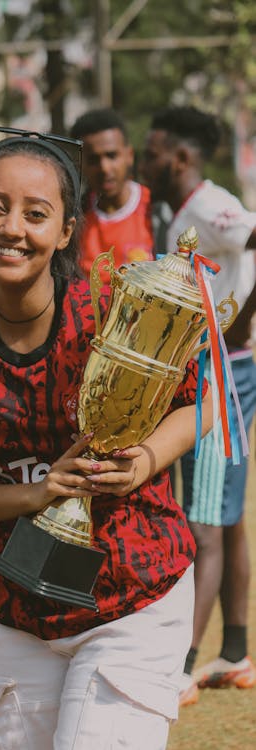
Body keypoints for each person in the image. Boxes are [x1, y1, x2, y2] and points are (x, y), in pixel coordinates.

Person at [0, 126, 212, 749]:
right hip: (15, 607)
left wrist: (147, 458)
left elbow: (198, 403)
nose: (12, 228)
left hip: (135, 592)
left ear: (67, 231)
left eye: (35, 213)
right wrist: (36, 494)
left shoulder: (114, 309)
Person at [140, 105, 256, 708]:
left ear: (179, 159)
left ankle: (177, 667)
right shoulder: (184, 213)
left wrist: (241, 323)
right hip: (218, 365)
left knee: (202, 520)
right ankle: (234, 651)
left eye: (152, 151)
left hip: (222, 373)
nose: (144, 160)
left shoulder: (210, 206)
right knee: (227, 516)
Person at [69, 107, 155, 278]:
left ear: (129, 155)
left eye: (112, 156)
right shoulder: (72, 220)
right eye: (93, 160)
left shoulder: (158, 213)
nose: (104, 168)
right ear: (80, 165)